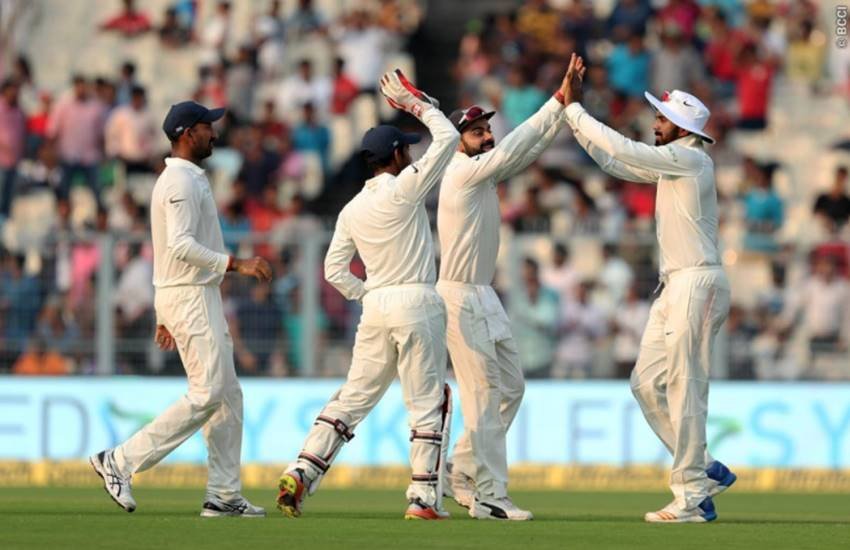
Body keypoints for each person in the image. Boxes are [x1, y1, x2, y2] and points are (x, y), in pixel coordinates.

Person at [274, 70, 459, 520]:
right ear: (395, 155)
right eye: (406, 149)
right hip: (415, 301)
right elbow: (450, 138)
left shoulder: (352, 208)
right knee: (428, 403)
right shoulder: (406, 189)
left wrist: (367, 294)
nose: (410, 154)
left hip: (376, 307)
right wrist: (417, 104)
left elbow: (333, 270)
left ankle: (301, 470)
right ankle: (422, 498)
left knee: (353, 398)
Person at [563, 54, 736, 523]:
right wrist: (570, 117)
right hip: (675, 285)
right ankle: (702, 468)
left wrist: (576, 109)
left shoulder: (690, 159)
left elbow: (625, 149)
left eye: (661, 118)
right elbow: (615, 162)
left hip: (696, 282)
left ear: (681, 126)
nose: (655, 123)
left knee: (685, 388)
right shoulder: (673, 163)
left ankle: (691, 498)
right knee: (645, 385)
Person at [89, 101, 272, 517]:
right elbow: (180, 246)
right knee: (209, 392)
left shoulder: (187, 177)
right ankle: (120, 461)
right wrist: (236, 264)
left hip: (190, 294)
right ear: (188, 133)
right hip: (190, 295)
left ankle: (223, 495)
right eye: (208, 126)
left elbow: (166, 250)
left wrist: (163, 311)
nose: (215, 133)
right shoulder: (179, 182)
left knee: (228, 395)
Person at [435, 64, 572, 520]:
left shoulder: (484, 173)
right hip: (459, 296)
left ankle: (461, 468)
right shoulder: (461, 172)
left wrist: (561, 113)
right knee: (483, 398)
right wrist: (556, 101)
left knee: (511, 388)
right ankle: (490, 495)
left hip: (484, 294)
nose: (487, 136)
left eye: (488, 129)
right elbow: (516, 147)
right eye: (477, 132)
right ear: (457, 140)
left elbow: (524, 151)